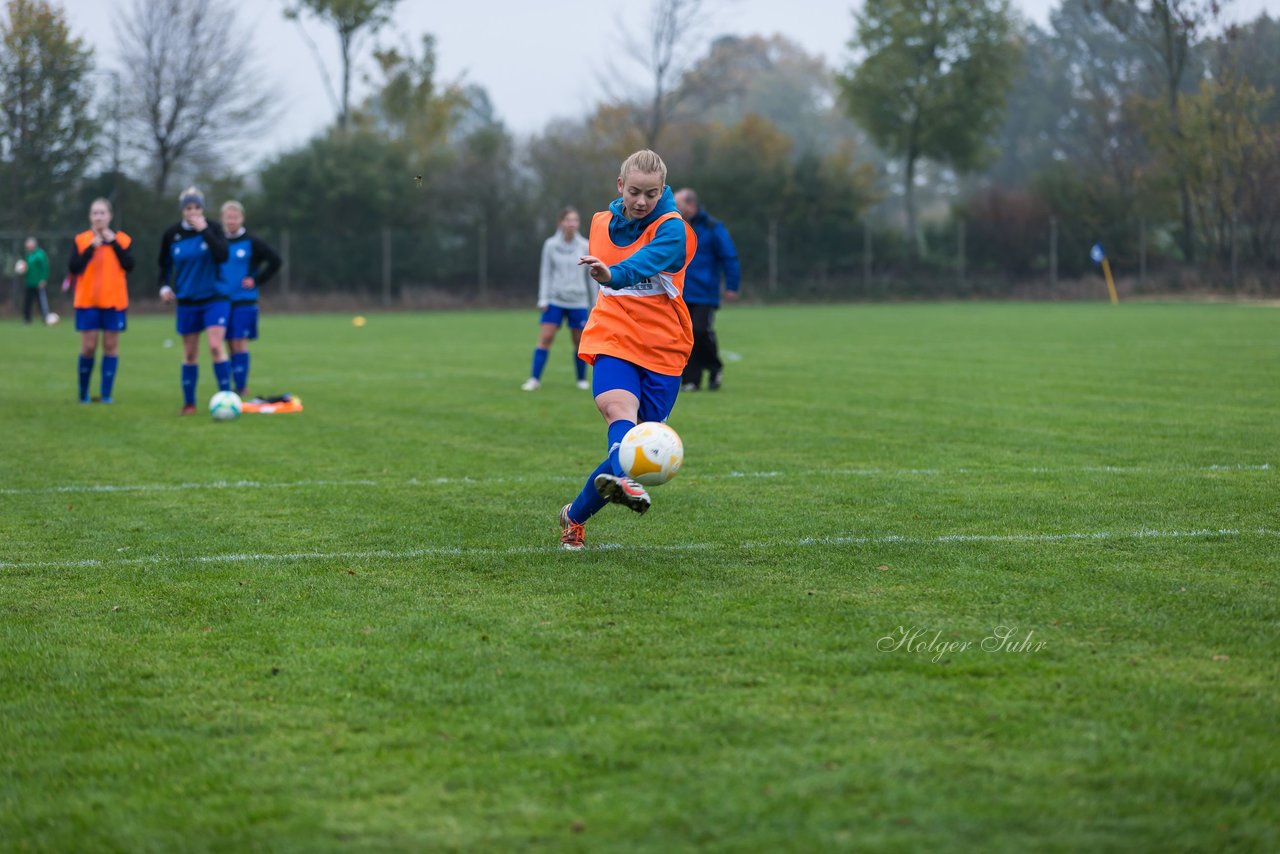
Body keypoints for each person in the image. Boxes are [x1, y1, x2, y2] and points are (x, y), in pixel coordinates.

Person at [558, 149, 697, 551]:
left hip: (664, 347)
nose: (641, 201)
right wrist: (611, 280)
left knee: (635, 448)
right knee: (618, 411)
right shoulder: (600, 223)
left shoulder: (675, 230)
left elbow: (647, 260)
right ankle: (621, 476)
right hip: (613, 333)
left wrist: (613, 274)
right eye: (634, 191)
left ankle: (574, 515)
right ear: (620, 186)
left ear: (662, 192)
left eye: (651, 194)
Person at [158, 187, 230, 415]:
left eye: (197, 207)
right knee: (190, 353)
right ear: (182, 210)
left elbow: (223, 255)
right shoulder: (172, 234)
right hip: (187, 300)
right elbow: (164, 265)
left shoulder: (214, 228)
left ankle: (227, 398)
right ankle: (189, 404)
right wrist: (165, 287)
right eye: (189, 208)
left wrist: (205, 231)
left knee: (216, 346)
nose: (193, 212)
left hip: (214, 297)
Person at [68, 199, 135, 403]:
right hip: (87, 301)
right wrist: (91, 248)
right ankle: (83, 393)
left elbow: (129, 265)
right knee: (88, 347)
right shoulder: (81, 240)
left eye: (102, 213)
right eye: (95, 213)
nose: (98, 217)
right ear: (90, 217)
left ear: (110, 216)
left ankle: (106, 394)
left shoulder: (122, 240)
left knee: (110, 346)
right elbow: (74, 267)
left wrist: (112, 242)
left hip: (114, 302)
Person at [521, 207, 595, 391]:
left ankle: (581, 380)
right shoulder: (550, 245)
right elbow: (545, 272)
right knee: (546, 337)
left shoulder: (585, 245)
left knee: (579, 341)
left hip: (578, 301)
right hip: (555, 299)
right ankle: (534, 379)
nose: (571, 224)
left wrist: (594, 303)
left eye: (575, 220)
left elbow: (592, 277)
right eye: (568, 220)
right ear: (561, 223)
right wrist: (543, 298)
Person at [674, 188, 740, 392]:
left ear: (691, 205)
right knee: (684, 336)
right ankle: (691, 380)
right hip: (680, 291)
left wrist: (732, 285)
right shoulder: (675, 227)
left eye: (679, 204)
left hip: (705, 292)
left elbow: (729, 256)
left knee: (699, 331)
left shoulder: (713, 227)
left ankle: (714, 367)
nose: (674, 208)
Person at [218, 200, 282, 397]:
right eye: (228, 217)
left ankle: (241, 387)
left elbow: (276, 261)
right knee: (228, 343)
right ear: (222, 219)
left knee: (239, 342)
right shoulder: (217, 241)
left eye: (235, 217)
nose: (231, 221)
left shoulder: (252, 242)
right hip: (221, 300)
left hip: (244, 301)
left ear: (242, 219)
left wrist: (256, 280)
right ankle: (229, 388)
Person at [19, 237, 50, 324]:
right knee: (27, 302)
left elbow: (45, 267)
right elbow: (27, 268)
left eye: (28, 244)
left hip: (38, 283)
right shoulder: (28, 255)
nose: (27, 246)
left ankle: (45, 318)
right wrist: (22, 270)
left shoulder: (40, 254)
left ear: (33, 244)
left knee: (41, 302)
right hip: (29, 282)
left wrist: (43, 279)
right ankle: (27, 319)